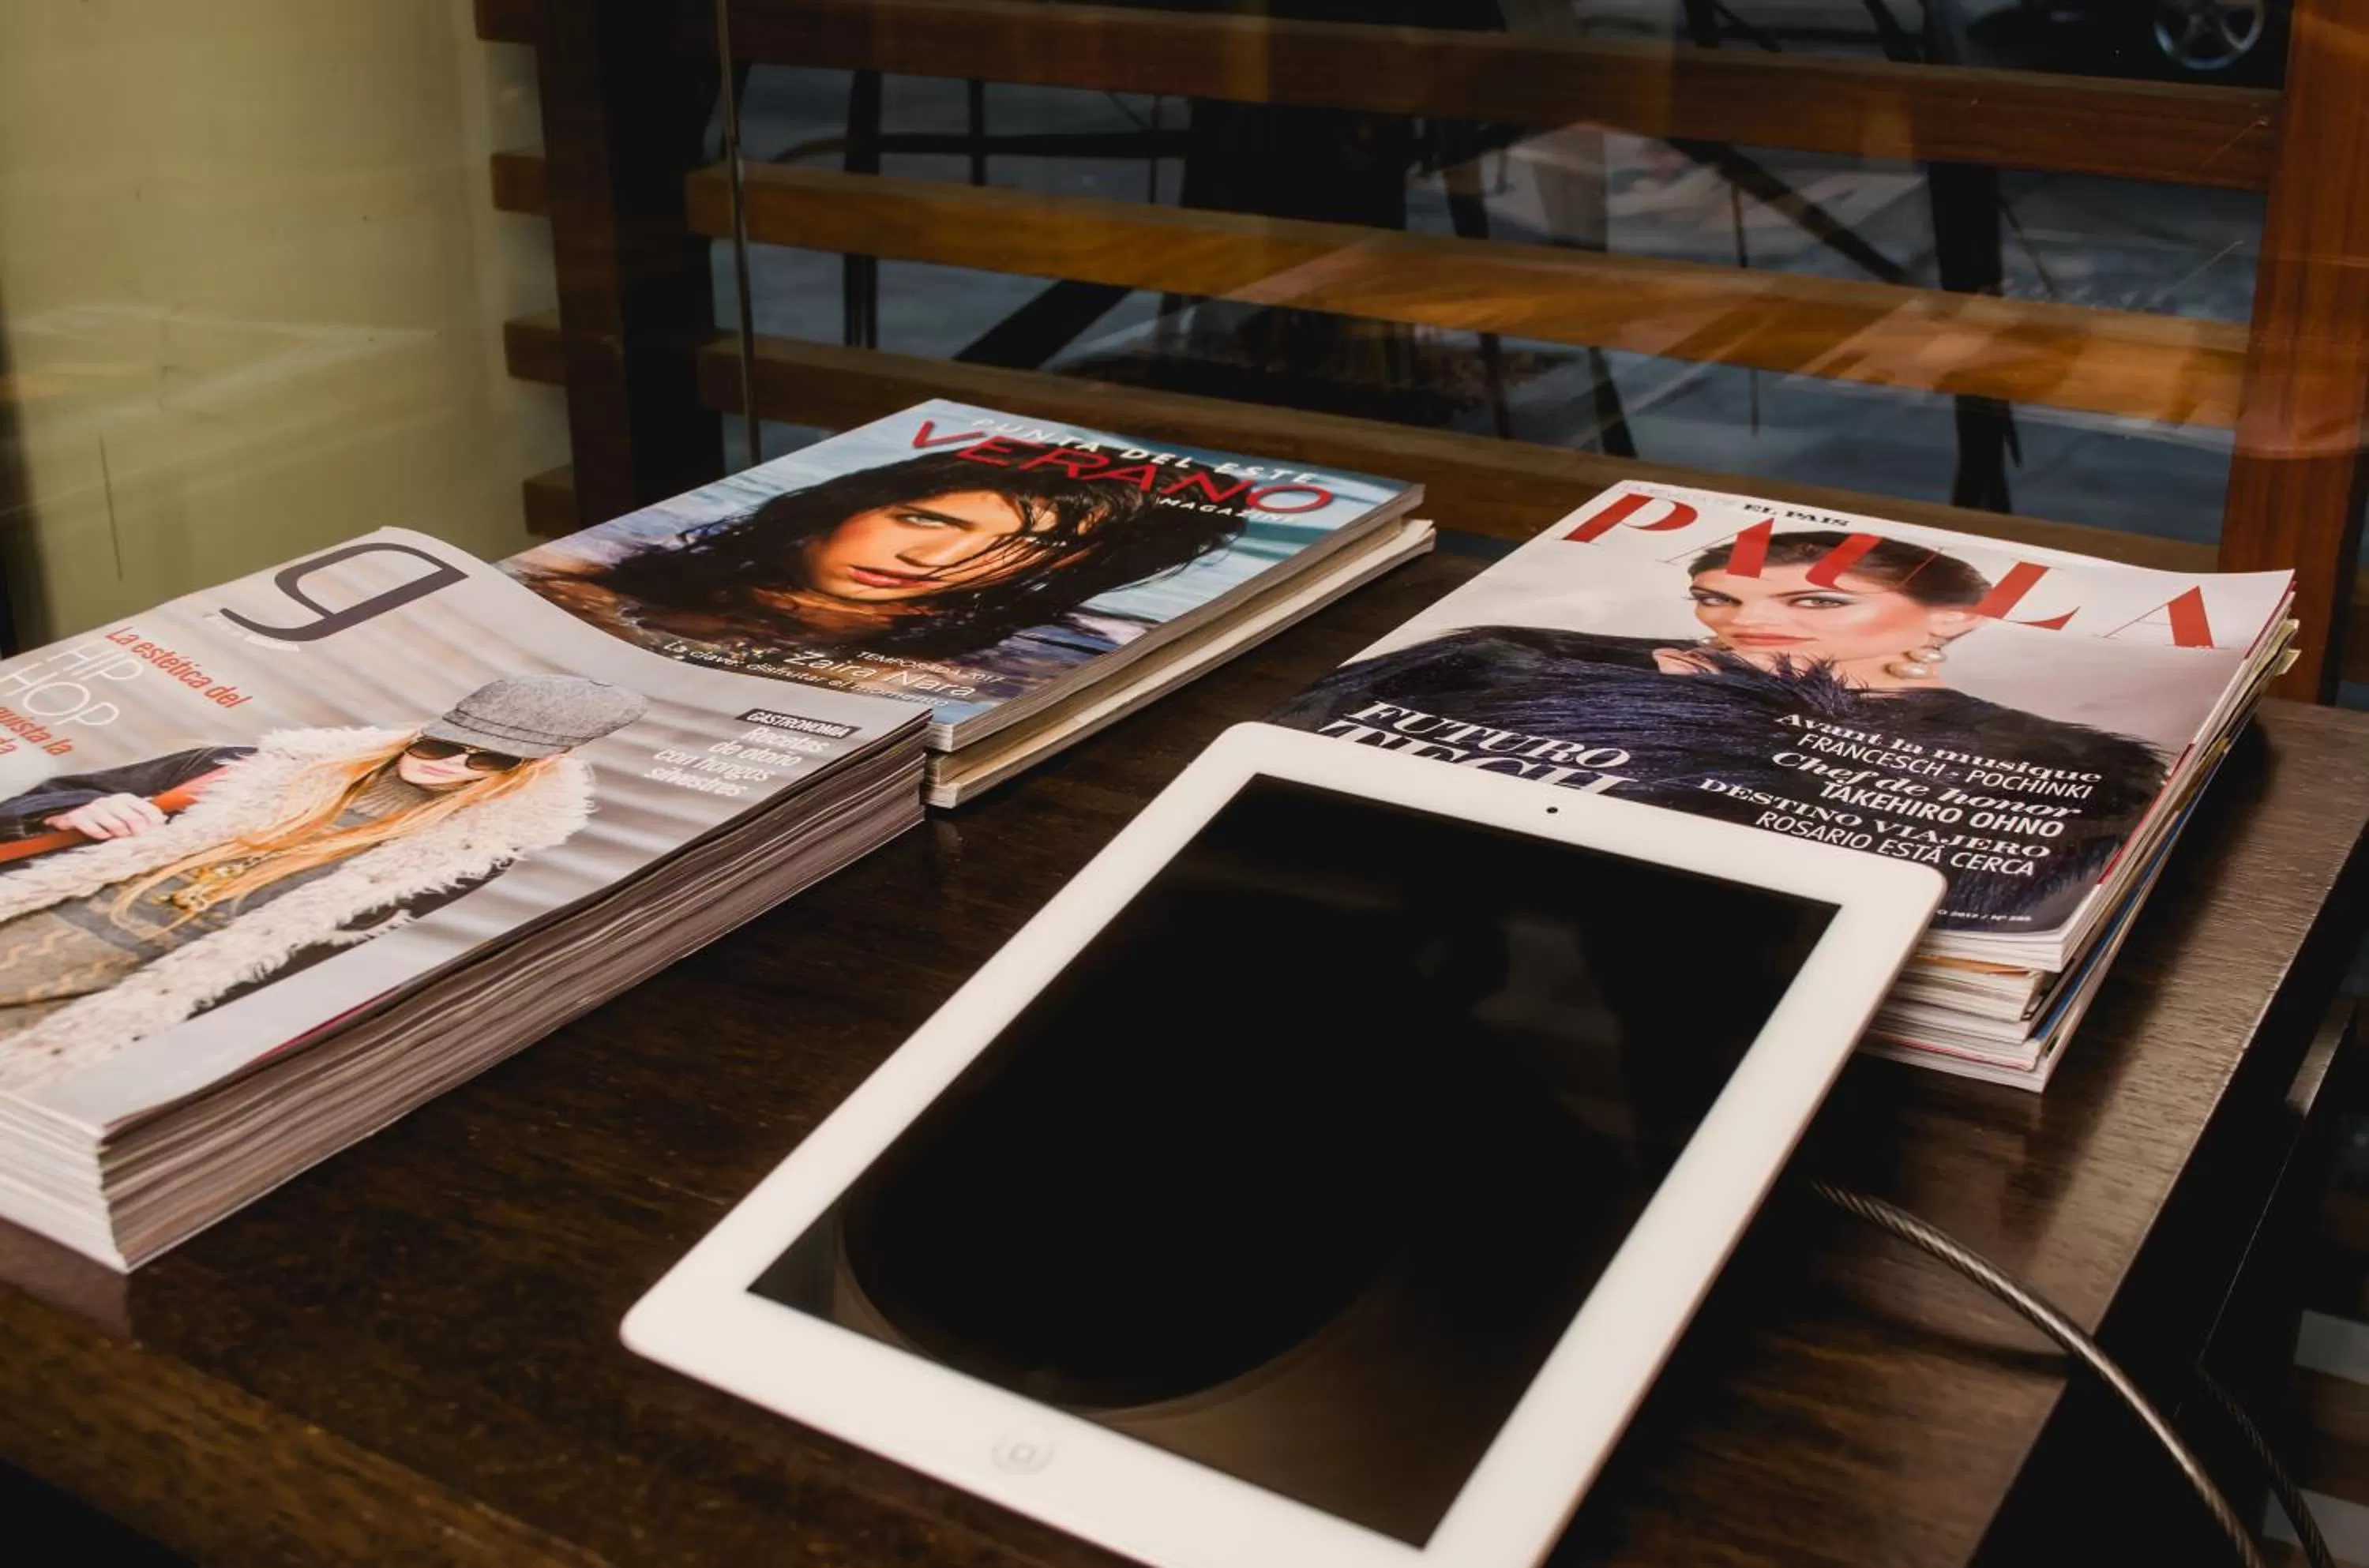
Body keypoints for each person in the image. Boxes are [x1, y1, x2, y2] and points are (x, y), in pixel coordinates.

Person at [1269, 530, 2169, 927]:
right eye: (1718, 597)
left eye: (1814, 600)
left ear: (1953, 619)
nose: (1745, 621)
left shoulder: (2061, 762)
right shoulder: (1506, 653)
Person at [0, 673, 647, 1091]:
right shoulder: (243, 767)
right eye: (440, 743)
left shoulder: (467, 858)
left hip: (114, 996)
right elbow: (40, 803)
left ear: (544, 765)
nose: (451, 765)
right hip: (29, 923)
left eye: (491, 757)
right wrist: (67, 811)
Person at [513, 449, 1249, 687]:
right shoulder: (605, 562)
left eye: (1039, 548)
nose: (931, 560)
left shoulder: (1039, 658)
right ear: (840, 505)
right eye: (925, 518)